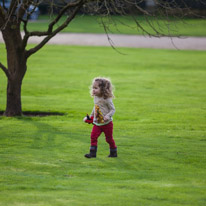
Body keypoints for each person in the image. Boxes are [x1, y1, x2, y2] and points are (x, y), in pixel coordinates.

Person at [83, 77, 117, 158]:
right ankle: (92, 153)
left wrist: (108, 116)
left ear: (103, 89)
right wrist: (90, 117)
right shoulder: (96, 97)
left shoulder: (107, 99)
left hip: (107, 124)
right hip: (97, 123)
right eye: (93, 88)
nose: (93, 90)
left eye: (96, 88)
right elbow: (95, 108)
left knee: (108, 139)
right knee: (93, 137)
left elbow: (113, 109)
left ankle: (113, 152)